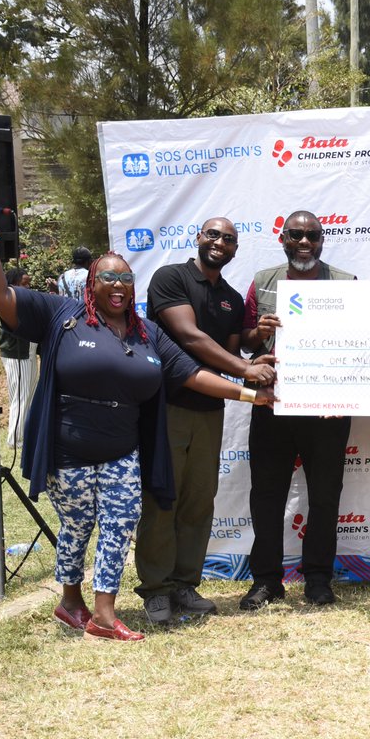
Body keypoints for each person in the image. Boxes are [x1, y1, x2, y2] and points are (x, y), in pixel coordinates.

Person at [0, 200, 272, 642]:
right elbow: (0, 296)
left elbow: (193, 374)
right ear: (91, 283)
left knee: (119, 523)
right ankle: (70, 601)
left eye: (125, 279)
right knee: (78, 527)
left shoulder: (146, 331)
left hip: (122, 449)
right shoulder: (62, 315)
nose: (118, 286)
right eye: (108, 278)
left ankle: (103, 613)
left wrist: (253, 394)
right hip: (70, 449)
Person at [134, 218, 276, 624]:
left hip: (209, 412)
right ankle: (156, 588)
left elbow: (229, 356)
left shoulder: (231, 298)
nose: (220, 243)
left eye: (229, 239)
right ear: (198, 238)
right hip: (167, 407)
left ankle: (184, 583)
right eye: (213, 235)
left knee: (199, 500)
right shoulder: (170, 278)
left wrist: (252, 351)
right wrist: (246, 371)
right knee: (163, 498)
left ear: (234, 250)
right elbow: (190, 336)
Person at [238, 210, 357, 610]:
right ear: (283, 239)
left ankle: (319, 579)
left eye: (312, 235)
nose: (304, 242)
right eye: (296, 235)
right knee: (267, 495)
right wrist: (261, 333)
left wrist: (344, 395)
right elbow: (244, 342)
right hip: (273, 403)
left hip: (327, 409)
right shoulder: (262, 282)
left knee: (325, 496)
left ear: (322, 240)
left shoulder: (346, 284)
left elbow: (360, 345)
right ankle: (267, 580)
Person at [0, 267, 40, 449]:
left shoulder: (22, 300)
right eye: (25, 284)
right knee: (20, 396)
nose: (28, 287)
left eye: (29, 283)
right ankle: (15, 439)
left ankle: (23, 434)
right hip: (18, 355)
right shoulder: (9, 301)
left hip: (28, 353)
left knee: (26, 395)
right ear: (13, 284)